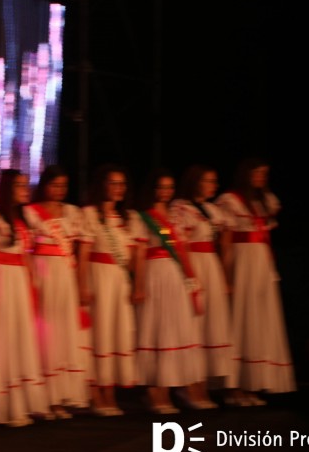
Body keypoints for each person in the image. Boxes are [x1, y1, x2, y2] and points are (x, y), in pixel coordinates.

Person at [215, 158, 296, 403]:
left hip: (261, 264)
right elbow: (226, 242)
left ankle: (251, 383)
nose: (261, 178)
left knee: (258, 320)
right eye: (257, 173)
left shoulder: (264, 201)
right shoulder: (230, 201)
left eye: (264, 174)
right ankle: (233, 386)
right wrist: (227, 276)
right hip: (243, 262)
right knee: (240, 317)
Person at [135, 168, 207, 414]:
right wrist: (140, 285)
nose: (165, 192)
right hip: (155, 273)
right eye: (161, 187)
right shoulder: (143, 217)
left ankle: (175, 387)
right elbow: (140, 253)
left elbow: (183, 250)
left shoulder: (176, 216)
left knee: (175, 330)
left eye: (169, 188)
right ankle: (155, 392)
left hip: (174, 275)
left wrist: (192, 280)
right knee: (157, 329)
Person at [0, 169, 48, 426]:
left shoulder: (24, 217)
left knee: (20, 337)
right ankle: (3, 407)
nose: (25, 189)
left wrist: (33, 283)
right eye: (19, 185)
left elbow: (28, 254)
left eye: (25, 184)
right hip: (2, 277)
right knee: (5, 338)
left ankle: (20, 404)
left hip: (19, 278)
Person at [171, 164, 241, 406]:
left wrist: (224, 274)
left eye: (215, 181)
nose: (214, 185)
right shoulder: (181, 208)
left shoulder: (213, 210)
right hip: (194, 265)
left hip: (211, 264)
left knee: (211, 325)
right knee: (194, 325)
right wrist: (190, 275)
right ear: (196, 183)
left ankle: (204, 386)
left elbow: (224, 243)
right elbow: (180, 243)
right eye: (209, 181)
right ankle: (188, 386)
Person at [77, 164, 144, 416]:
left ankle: (111, 392)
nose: (118, 189)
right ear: (102, 185)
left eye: (122, 184)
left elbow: (137, 257)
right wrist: (82, 285)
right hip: (98, 278)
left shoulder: (131, 219)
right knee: (100, 333)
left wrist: (138, 286)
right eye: (113, 183)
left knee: (118, 332)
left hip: (119, 281)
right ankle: (97, 394)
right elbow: (83, 254)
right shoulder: (90, 215)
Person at [25, 165, 88, 417]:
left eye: (63, 185)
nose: (59, 190)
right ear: (44, 185)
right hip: (43, 273)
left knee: (63, 332)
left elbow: (80, 250)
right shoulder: (31, 213)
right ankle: (44, 398)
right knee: (45, 333)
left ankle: (61, 396)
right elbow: (26, 249)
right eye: (54, 185)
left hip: (64, 274)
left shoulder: (72, 213)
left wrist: (81, 283)